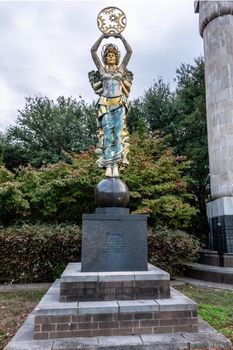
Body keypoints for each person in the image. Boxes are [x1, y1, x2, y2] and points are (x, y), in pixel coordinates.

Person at [89, 32, 133, 177]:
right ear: (105, 57)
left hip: (119, 105)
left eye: (113, 55)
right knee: (108, 136)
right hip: (106, 105)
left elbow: (129, 52)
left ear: (116, 57)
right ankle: (109, 165)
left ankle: (117, 165)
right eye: (108, 55)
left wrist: (120, 37)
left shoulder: (121, 69)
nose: (111, 57)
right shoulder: (102, 70)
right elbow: (93, 51)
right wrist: (102, 37)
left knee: (118, 136)